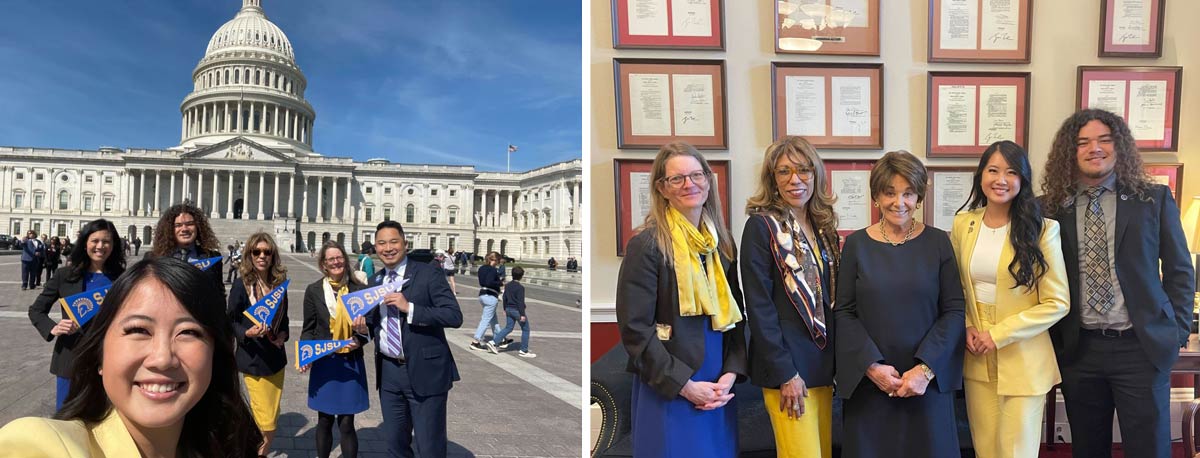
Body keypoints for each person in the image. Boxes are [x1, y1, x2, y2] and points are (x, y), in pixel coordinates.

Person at [1040, 109, 1194, 457]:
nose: (1094, 148)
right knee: (1088, 448)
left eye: (1104, 139)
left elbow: (1180, 270)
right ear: (1070, 151)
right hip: (1080, 350)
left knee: (1149, 448)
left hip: (1140, 347)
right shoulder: (1049, 208)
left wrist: (1177, 331)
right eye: (1083, 142)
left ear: (1119, 146)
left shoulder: (1152, 200)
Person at [0, 256, 262, 457]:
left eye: (188, 332)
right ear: (99, 353)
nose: (162, 358)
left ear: (216, 354)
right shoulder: (40, 444)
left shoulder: (230, 446)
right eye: (138, 330)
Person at [615, 142, 748, 457]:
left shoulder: (723, 245)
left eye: (696, 175)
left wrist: (730, 376)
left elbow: (737, 317)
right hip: (670, 386)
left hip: (718, 387)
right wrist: (685, 386)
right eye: (677, 179)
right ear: (662, 188)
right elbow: (636, 329)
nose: (689, 184)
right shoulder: (647, 245)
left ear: (708, 180)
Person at [834, 150, 965, 457]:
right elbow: (844, 311)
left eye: (908, 193)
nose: (899, 202)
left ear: (918, 196)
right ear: (876, 196)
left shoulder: (938, 242)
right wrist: (871, 366)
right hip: (870, 386)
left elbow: (954, 310)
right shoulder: (856, 245)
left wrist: (925, 370)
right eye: (889, 193)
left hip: (927, 385)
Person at [949, 141, 1070, 458]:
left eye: (1011, 172)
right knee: (985, 448)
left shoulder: (1043, 230)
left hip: (1022, 356)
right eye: (993, 170)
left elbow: (1058, 302)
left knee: (1016, 451)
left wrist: (998, 335)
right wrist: (966, 326)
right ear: (981, 175)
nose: (1000, 179)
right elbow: (955, 288)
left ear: (1023, 180)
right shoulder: (964, 224)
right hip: (976, 354)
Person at [740, 136, 840, 457]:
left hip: (823, 363)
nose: (795, 180)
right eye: (784, 172)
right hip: (789, 369)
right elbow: (759, 307)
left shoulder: (824, 228)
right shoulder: (761, 228)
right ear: (772, 179)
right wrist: (786, 373)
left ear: (816, 174)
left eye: (803, 170)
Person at [353, 220, 462, 458]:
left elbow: (454, 315)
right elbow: (374, 325)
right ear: (375, 247)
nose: (388, 248)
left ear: (405, 243)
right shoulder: (375, 282)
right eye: (382, 243)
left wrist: (409, 307)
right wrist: (360, 332)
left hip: (425, 371)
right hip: (389, 373)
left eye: (394, 241)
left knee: (429, 446)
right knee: (395, 444)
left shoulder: (427, 272)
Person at [28, 219, 126, 412]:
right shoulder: (65, 275)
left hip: (108, 359)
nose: (100, 246)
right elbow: (36, 310)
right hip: (70, 358)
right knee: (67, 418)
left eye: (106, 241)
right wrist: (53, 327)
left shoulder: (122, 278)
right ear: (85, 243)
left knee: (104, 417)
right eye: (95, 240)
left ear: (113, 245)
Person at [301, 242, 371, 458]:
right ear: (323, 264)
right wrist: (306, 354)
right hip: (325, 361)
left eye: (339, 257)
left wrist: (360, 339)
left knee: (347, 422)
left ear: (345, 260)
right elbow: (309, 328)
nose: (336, 262)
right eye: (331, 259)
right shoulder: (314, 290)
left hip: (350, 362)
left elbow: (368, 326)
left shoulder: (358, 290)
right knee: (324, 419)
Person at [226, 232, 290, 457]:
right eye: (257, 252)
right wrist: (247, 332)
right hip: (252, 359)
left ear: (273, 256)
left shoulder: (278, 284)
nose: (262, 256)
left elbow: (285, 319)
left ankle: (256, 450)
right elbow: (231, 319)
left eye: (267, 252)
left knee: (271, 413)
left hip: (275, 358)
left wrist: (283, 335)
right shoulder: (241, 285)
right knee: (267, 418)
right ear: (250, 255)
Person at [146, 202, 226, 306]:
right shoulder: (154, 258)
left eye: (190, 224)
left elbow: (219, 295)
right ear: (169, 229)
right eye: (178, 225)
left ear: (198, 227)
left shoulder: (212, 257)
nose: (184, 229)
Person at [487, 266, 536, 358]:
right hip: (517, 310)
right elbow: (520, 302)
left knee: (508, 328)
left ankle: (493, 342)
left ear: (512, 275)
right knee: (526, 329)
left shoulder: (508, 285)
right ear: (521, 276)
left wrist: (505, 309)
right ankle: (523, 350)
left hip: (508, 309)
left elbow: (504, 297)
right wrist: (522, 314)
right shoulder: (520, 288)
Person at [470, 252, 505, 351]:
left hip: (482, 294)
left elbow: (483, 282)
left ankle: (500, 338)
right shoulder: (493, 270)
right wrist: (500, 282)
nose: (498, 263)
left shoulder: (481, 268)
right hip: (490, 296)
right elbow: (489, 282)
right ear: (493, 260)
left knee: (493, 319)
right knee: (486, 320)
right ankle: (476, 341)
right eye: (498, 261)